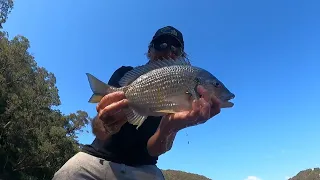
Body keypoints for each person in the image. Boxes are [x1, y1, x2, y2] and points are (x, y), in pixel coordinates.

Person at [52, 26, 222, 180]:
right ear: (150, 50)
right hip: (99, 160)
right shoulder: (125, 74)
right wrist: (107, 122)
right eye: (161, 44)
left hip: (144, 168)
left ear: (180, 56)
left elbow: (154, 149)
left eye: (175, 48)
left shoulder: (182, 98)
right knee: (67, 174)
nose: (169, 51)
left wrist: (171, 126)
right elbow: (98, 131)